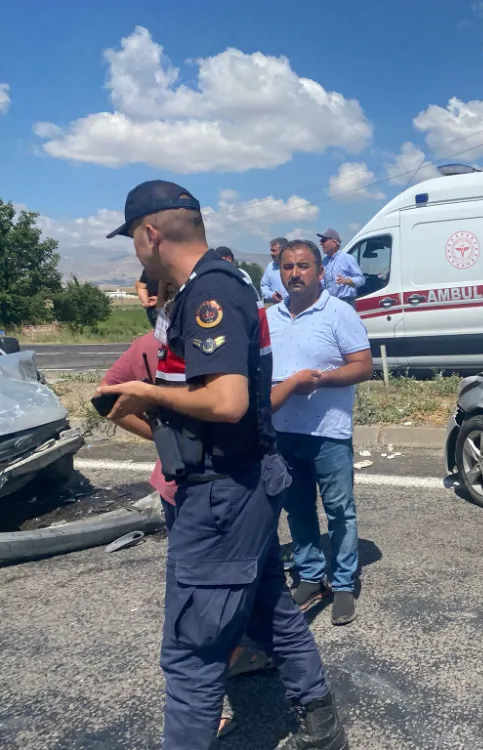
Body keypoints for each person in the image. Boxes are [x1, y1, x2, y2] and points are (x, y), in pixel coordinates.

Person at [96, 180, 349, 750]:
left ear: (150, 234)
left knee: (191, 650)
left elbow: (229, 401)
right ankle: (321, 724)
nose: (135, 251)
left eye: (134, 240)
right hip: (244, 483)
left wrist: (148, 393)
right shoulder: (224, 283)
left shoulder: (208, 291)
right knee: (271, 611)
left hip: (221, 496)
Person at [99, 283, 275, 740]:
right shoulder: (152, 347)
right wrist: (162, 437)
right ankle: (213, 701)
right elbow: (108, 397)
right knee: (202, 612)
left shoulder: (203, 342)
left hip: (217, 487)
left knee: (220, 600)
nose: (158, 303)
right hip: (187, 490)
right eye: (154, 295)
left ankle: (240, 662)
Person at [267, 239, 373, 625]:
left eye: (303, 266)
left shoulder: (338, 313)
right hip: (284, 431)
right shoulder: (270, 318)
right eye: (288, 267)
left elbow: (363, 366)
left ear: (320, 272)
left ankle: (344, 583)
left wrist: (320, 381)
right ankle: (311, 575)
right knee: (296, 509)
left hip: (328, 432)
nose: (295, 273)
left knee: (339, 512)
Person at [317, 229, 365, 309]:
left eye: (323, 240)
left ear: (334, 243)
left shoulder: (348, 258)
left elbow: (361, 279)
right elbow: (323, 283)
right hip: (330, 303)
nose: (321, 243)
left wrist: (348, 281)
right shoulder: (324, 261)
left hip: (346, 302)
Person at [261, 237, 289, 304]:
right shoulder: (270, 267)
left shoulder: (295, 266)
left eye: (274, 250)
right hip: (277, 309)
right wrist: (272, 295)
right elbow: (264, 287)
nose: (271, 253)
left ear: (283, 251)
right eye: (271, 250)